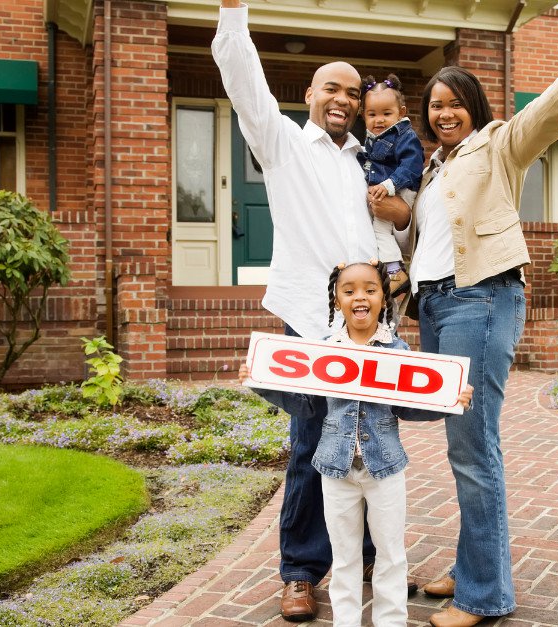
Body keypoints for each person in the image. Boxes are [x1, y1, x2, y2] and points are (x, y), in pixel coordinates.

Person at [370, 9, 558, 627]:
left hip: (479, 299)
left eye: (455, 104)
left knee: (473, 446)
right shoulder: (432, 168)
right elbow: (418, 238)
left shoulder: (501, 144)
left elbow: (555, 107)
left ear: (475, 108)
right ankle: (475, 561)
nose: (444, 113)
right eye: (435, 106)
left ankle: (485, 594)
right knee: (462, 445)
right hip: (436, 304)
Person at [213, 1, 406, 620]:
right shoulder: (284, 146)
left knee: (375, 436)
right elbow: (243, 82)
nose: (344, 99)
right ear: (310, 93)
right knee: (310, 442)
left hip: (371, 322)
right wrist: (233, 13)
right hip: (312, 318)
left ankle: (368, 549)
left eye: (353, 91)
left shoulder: (366, 162)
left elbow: (387, 233)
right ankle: (300, 570)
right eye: (332, 88)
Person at [241, 261, 472, 626]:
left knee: (391, 555)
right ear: (336, 300)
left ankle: (390, 622)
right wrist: (261, 380)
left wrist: (448, 401)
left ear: (384, 299)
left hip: (385, 470)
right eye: (348, 290)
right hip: (336, 469)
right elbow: (305, 406)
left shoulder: (398, 352)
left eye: (369, 289)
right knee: (345, 557)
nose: (359, 296)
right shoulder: (324, 351)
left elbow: (409, 407)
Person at [357, 74, 424, 297]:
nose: (379, 120)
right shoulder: (371, 138)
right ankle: (390, 272)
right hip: (387, 189)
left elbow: (412, 165)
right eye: (372, 114)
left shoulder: (404, 135)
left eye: (387, 114)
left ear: (401, 113)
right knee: (377, 230)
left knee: (380, 230)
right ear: (363, 115)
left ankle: (396, 274)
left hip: (402, 189)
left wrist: (389, 185)